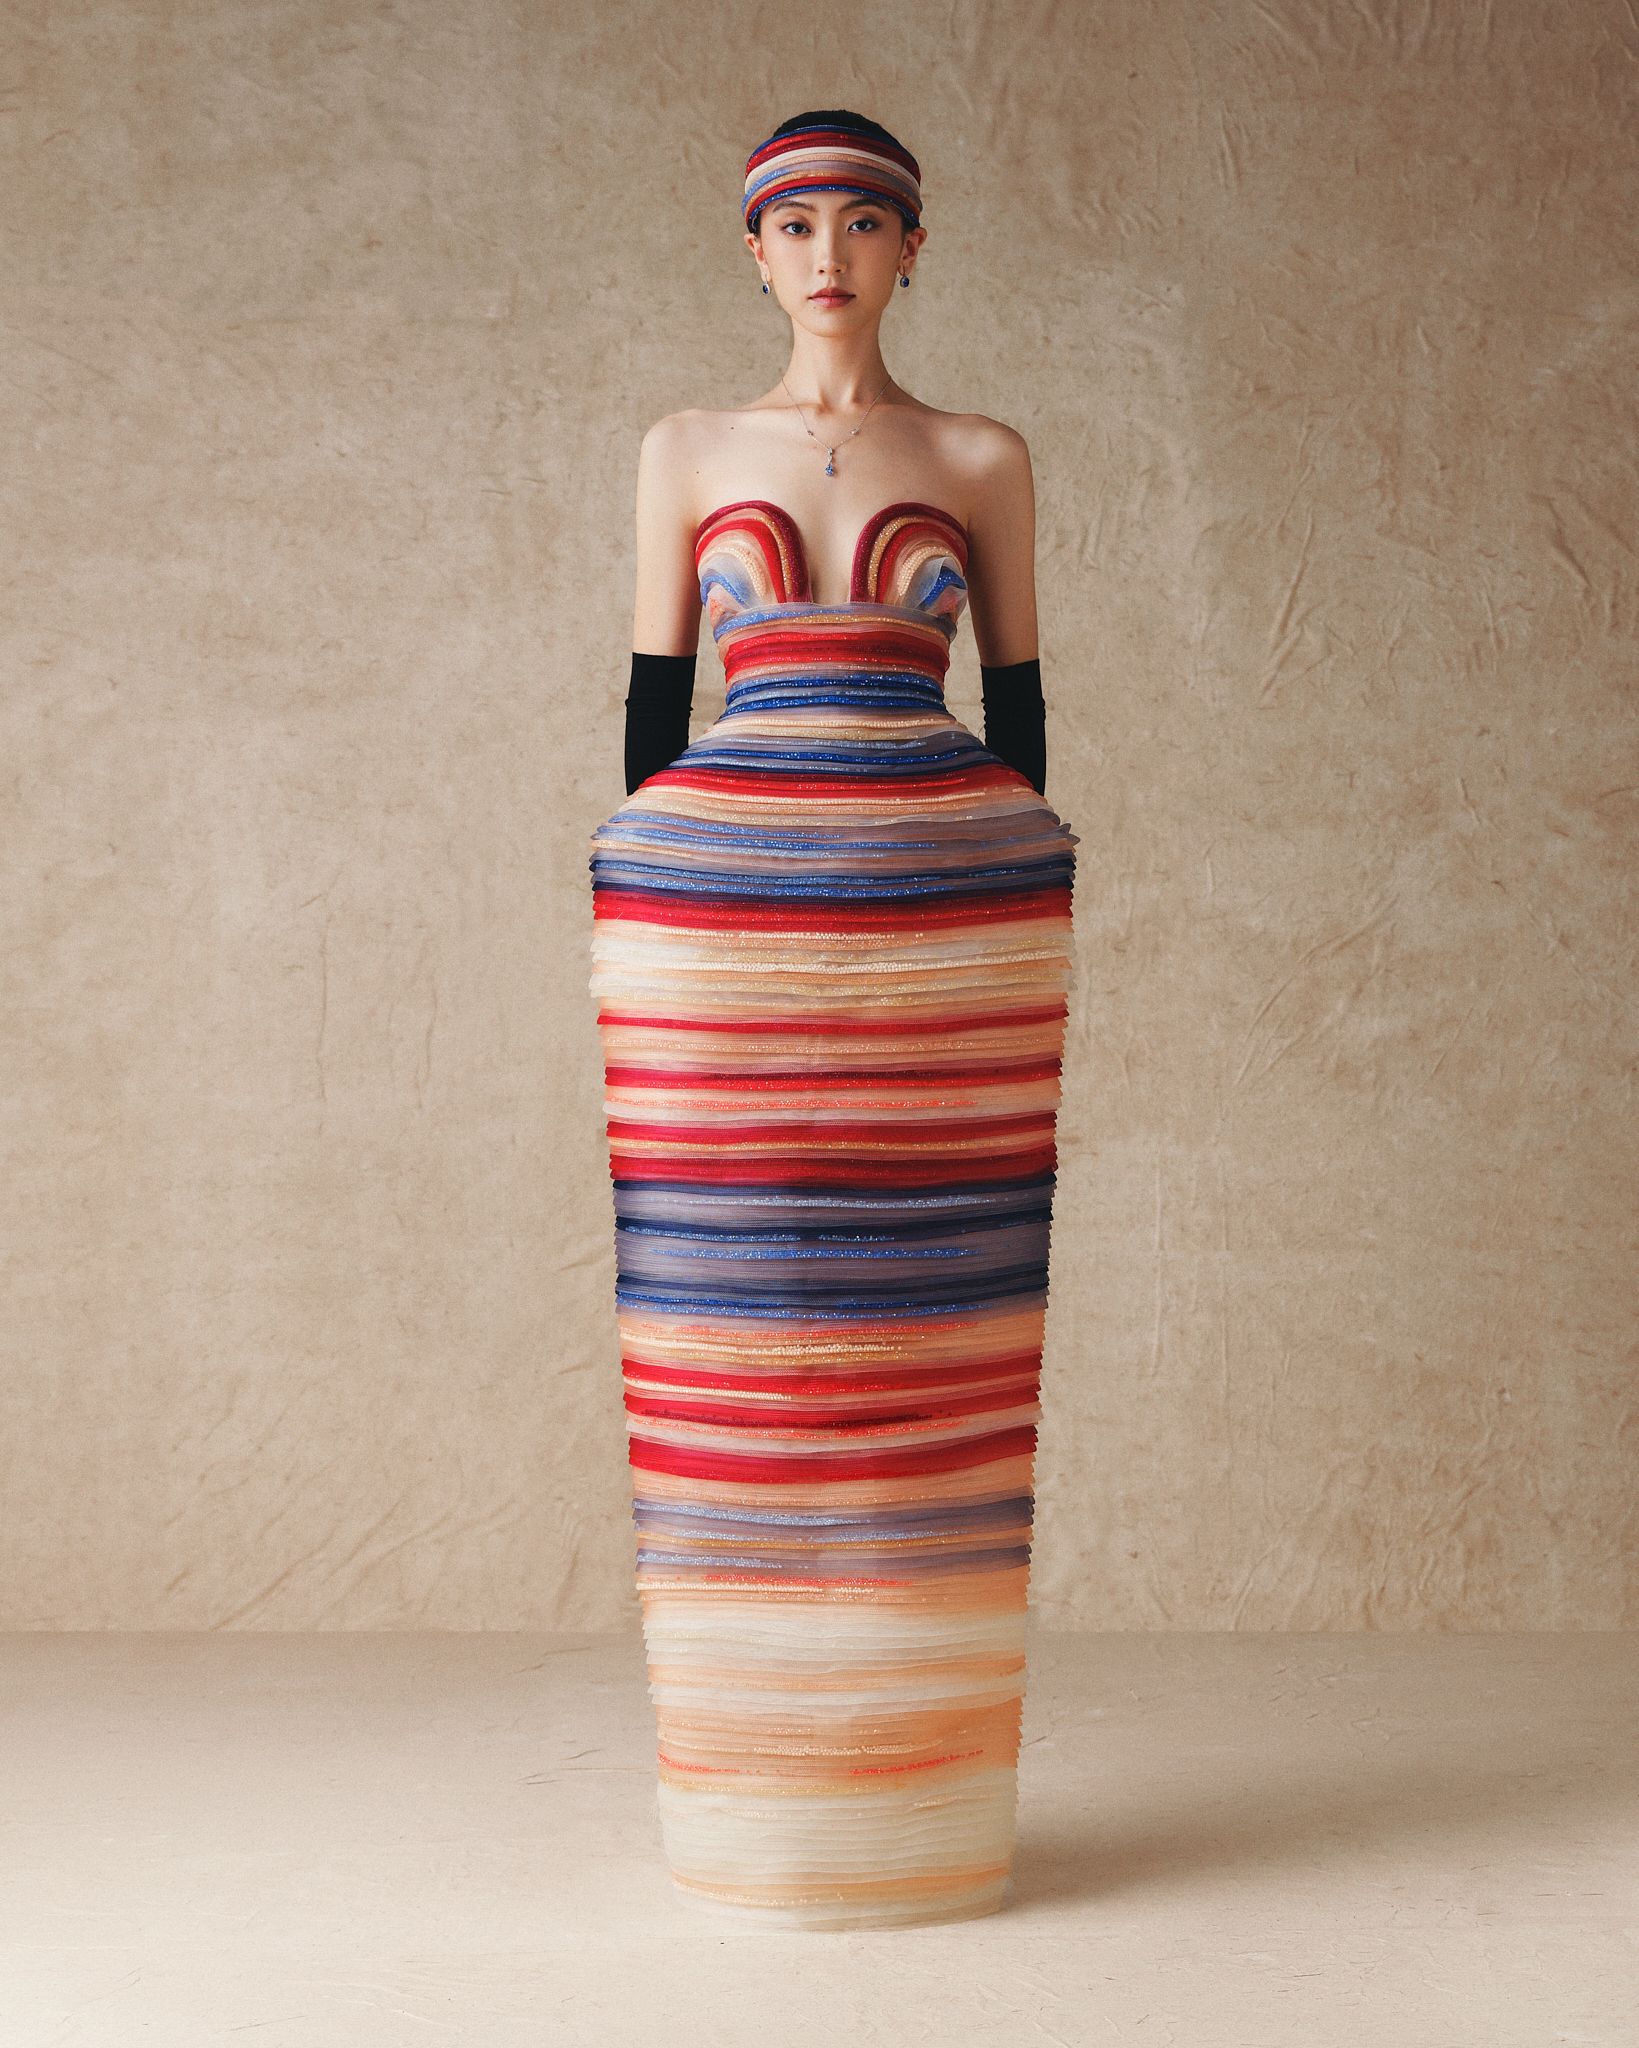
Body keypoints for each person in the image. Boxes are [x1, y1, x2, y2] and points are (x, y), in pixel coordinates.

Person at [586, 109, 1080, 1931]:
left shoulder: (981, 455)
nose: (826, 254)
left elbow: (1024, 711)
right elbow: (652, 709)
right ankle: (754, 1797)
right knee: (729, 1318)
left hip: (946, 933)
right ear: (753, 250)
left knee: (935, 1328)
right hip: (717, 928)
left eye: (862, 222)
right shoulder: (683, 449)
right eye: (793, 224)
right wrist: (651, 872)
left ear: (910, 248)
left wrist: (1021, 868)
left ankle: (919, 1805)